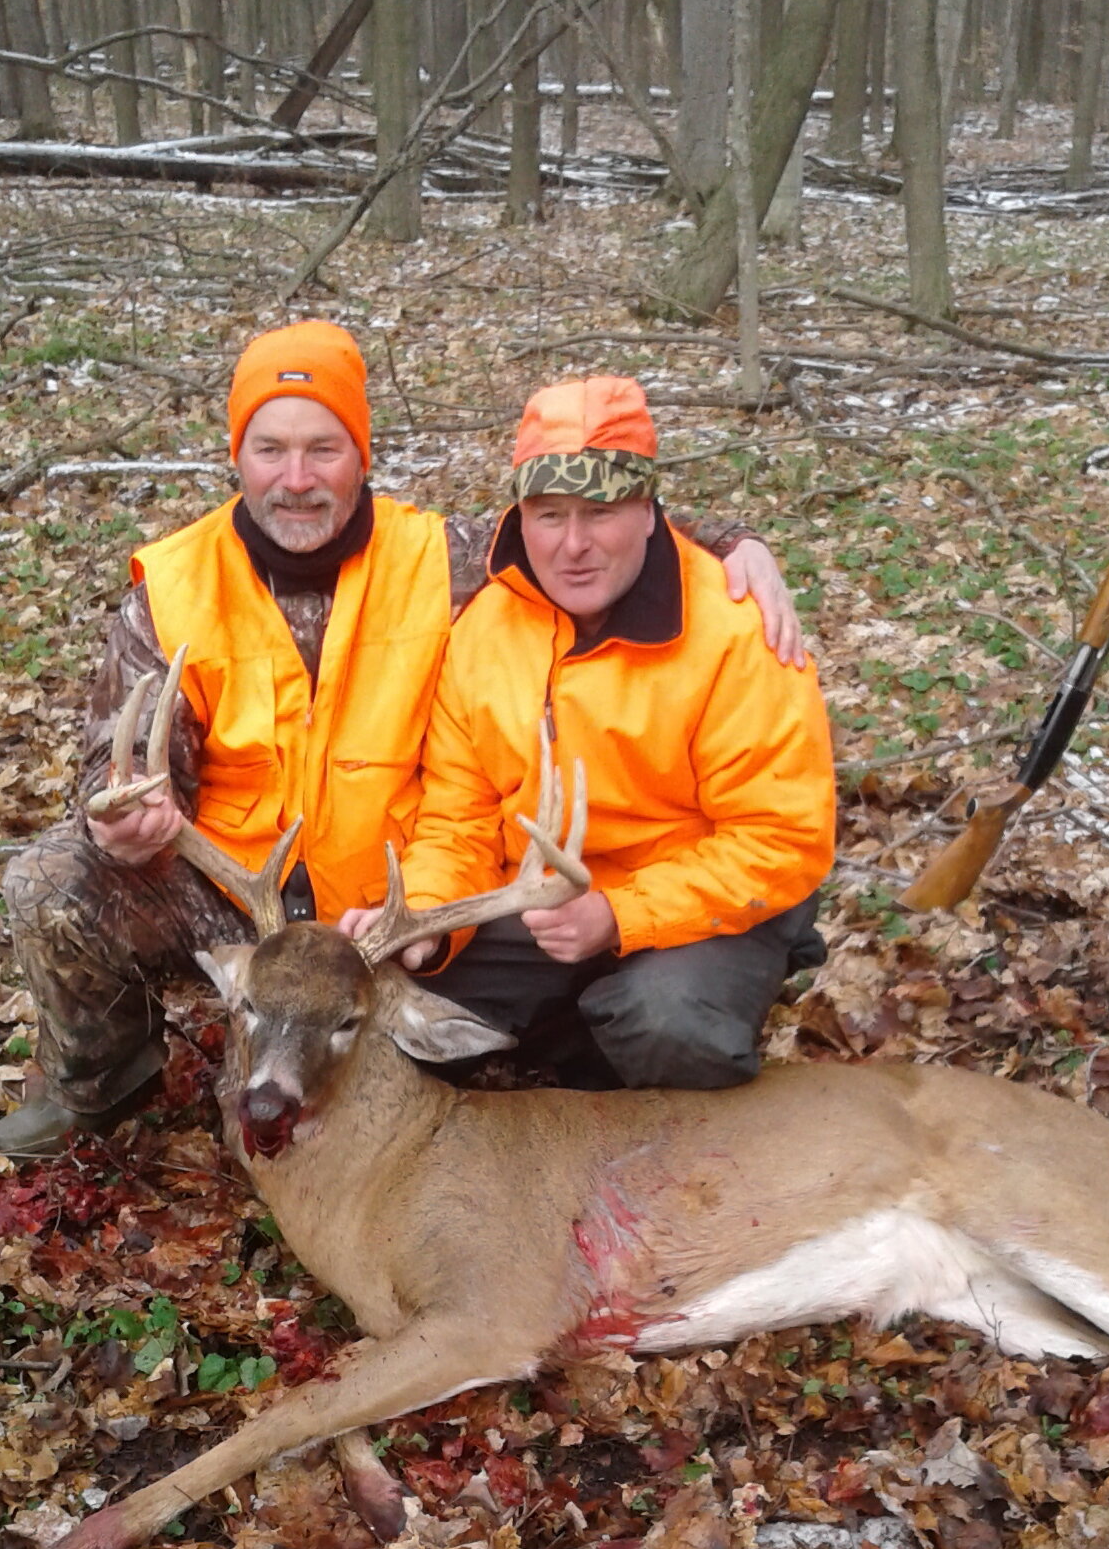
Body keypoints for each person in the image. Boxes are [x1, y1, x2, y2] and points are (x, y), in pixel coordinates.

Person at [0, 323, 809, 1156]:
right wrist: (121, 819)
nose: (298, 479)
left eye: (326, 449)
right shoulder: (171, 588)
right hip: (239, 897)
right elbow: (116, 768)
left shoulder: (444, 559)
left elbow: (582, 525)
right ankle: (101, 1088)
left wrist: (734, 542)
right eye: (270, 449)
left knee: (450, 1051)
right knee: (52, 881)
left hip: (375, 903)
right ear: (237, 456)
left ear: (364, 455)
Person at [343, 376, 834, 1091]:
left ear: (646, 510)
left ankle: (693, 1161)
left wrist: (618, 916)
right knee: (399, 1018)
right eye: (548, 515)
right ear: (520, 517)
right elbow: (459, 818)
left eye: (599, 512)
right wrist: (425, 918)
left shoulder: (736, 631)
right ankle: (577, 1042)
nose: (573, 545)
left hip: (704, 906)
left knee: (666, 1024)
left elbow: (782, 839)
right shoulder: (485, 630)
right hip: (542, 906)